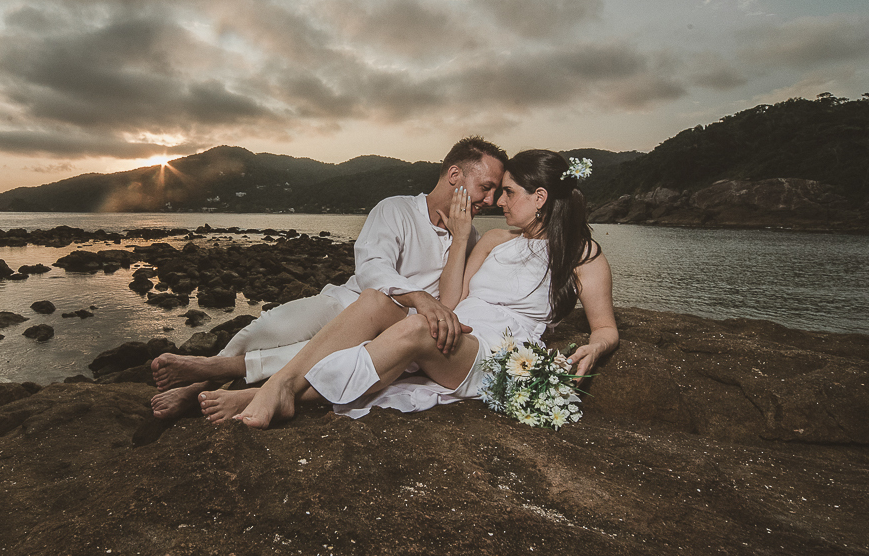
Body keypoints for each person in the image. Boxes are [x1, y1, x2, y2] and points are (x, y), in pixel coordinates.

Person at [200, 149, 618, 428]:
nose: (498, 202)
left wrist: (596, 348)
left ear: (540, 197)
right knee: (375, 300)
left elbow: (605, 328)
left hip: (496, 351)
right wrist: (461, 236)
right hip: (458, 329)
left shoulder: (583, 255)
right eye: (496, 191)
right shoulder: (492, 241)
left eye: (508, 192)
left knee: (416, 330)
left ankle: (275, 389)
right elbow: (452, 301)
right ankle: (281, 385)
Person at [148, 136, 509, 419]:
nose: (491, 199)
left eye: (496, 191)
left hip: (394, 329)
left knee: (314, 355)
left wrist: (462, 239)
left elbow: (455, 300)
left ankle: (211, 376)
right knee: (270, 326)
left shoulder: (471, 238)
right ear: (455, 175)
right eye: (486, 187)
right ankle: (201, 380)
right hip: (350, 301)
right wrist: (417, 295)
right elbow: (371, 267)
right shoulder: (396, 209)